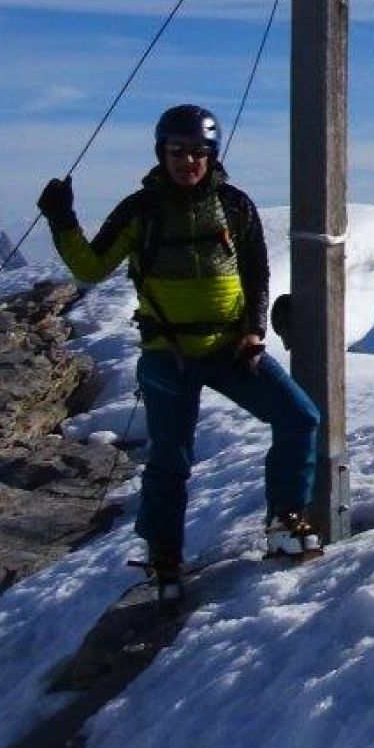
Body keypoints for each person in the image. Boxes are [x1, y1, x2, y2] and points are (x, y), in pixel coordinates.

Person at [38, 104, 323, 589]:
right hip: (167, 354)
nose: (188, 161)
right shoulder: (141, 210)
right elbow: (91, 267)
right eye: (177, 151)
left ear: (212, 155)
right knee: (171, 457)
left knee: (300, 417)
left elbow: (256, 273)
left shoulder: (234, 205)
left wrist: (254, 330)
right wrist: (63, 220)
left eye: (197, 152)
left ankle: (284, 520)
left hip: (232, 349)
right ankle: (164, 555)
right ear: (162, 153)